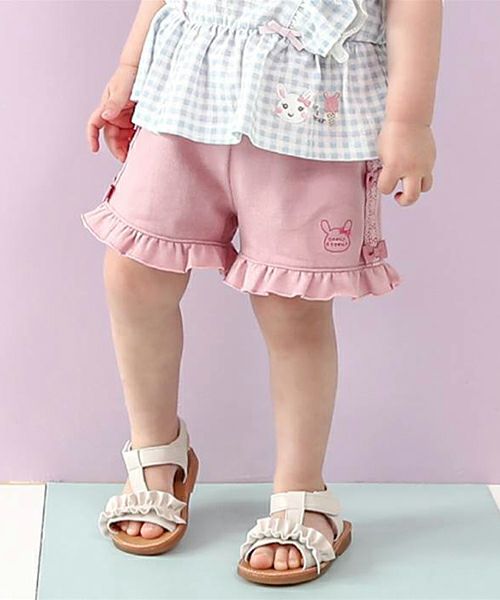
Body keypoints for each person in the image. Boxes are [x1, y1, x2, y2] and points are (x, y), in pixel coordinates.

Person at [82, 0, 442, 586]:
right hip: (188, 85)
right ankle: (156, 447)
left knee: (293, 308)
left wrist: (410, 120)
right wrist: (129, 67)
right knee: (134, 270)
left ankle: (301, 489)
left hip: (313, 109)